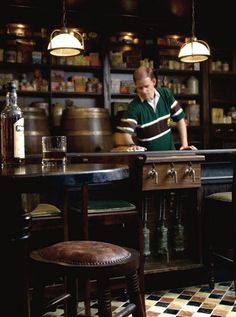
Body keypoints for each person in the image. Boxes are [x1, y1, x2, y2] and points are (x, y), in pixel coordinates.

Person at [112, 66, 197, 152]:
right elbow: (123, 134)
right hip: (149, 159)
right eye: (140, 88)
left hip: (171, 154)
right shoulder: (134, 107)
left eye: (146, 86)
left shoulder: (165, 94)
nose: (144, 91)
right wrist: (132, 145)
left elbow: (180, 119)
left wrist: (184, 145)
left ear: (154, 82)